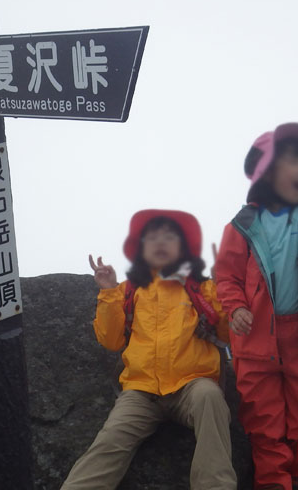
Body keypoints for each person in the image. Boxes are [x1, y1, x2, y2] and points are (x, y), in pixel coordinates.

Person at [213, 123, 298, 490]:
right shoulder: (241, 225)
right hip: (254, 340)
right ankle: (275, 484)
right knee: (264, 422)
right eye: (293, 161)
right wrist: (236, 307)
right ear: (269, 170)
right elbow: (225, 276)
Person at [61, 209, 237, 490]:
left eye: (169, 237)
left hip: (193, 385)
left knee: (209, 398)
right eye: (152, 238)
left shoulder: (202, 288)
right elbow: (111, 340)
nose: (160, 243)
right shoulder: (127, 290)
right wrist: (107, 291)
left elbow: (228, 333)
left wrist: (224, 287)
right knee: (111, 438)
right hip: (141, 392)